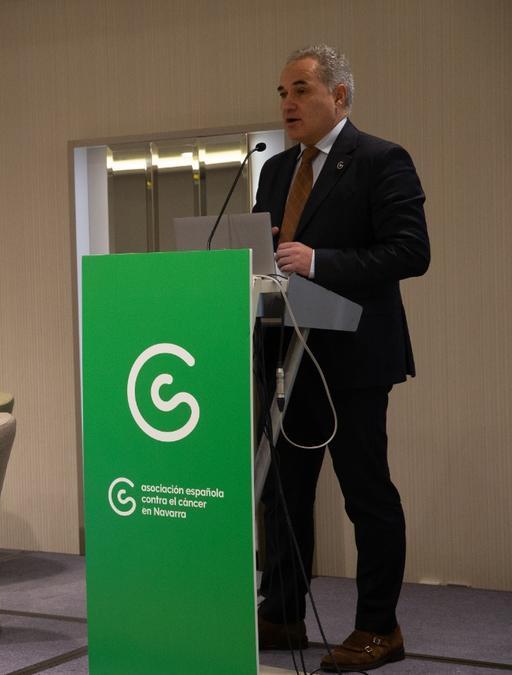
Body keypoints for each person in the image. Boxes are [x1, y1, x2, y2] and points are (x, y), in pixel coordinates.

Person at [253, 45, 430, 672]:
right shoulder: (274, 170)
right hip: (284, 354)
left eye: (300, 89)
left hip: (352, 357)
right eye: (281, 92)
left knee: (365, 494)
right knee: (283, 494)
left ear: (340, 96)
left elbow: (410, 252)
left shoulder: (381, 160)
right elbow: (263, 257)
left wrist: (319, 261)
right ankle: (281, 613)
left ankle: (379, 627)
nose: (287, 103)